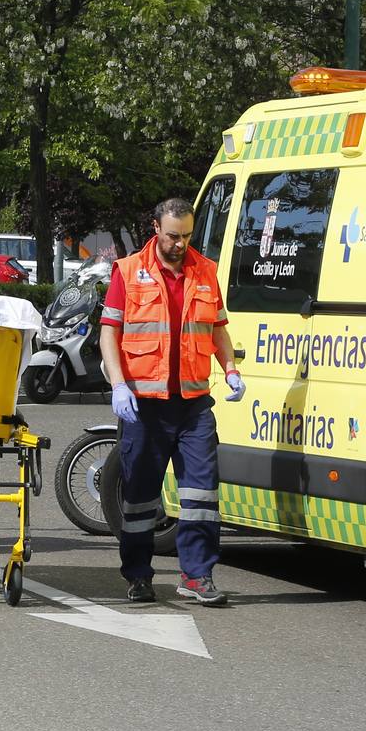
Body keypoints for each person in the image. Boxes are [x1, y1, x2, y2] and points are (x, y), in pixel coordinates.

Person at [98, 198, 244, 606]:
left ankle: (197, 575)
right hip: (144, 403)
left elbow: (216, 328)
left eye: (187, 236)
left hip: (193, 403)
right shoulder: (128, 271)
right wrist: (118, 384)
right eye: (172, 236)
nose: (180, 244)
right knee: (141, 496)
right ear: (155, 229)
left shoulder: (206, 271)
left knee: (201, 495)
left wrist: (230, 367)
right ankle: (139, 575)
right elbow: (109, 331)